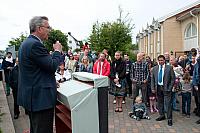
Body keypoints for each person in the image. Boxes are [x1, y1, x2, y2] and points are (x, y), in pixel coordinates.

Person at [18, 16, 62, 133]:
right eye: (48, 27)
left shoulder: (27, 43)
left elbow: (36, 70)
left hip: (33, 97)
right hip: (40, 100)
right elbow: (52, 66)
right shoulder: (35, 44)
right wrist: (57, 51)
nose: (50, 30)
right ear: (39, 28)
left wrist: (51, 81)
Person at [151, 55, 175, 126]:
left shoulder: (169, 68)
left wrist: (169, 88)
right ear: (158, 61)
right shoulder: (155, 68)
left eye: (162, 60)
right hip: (158, 88)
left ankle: (169, 119)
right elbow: (152, 79)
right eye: (159, 60)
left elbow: (173, 79)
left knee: (168, 104)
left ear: (164, 60)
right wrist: (153, 88)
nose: (161, 61)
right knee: (160, 103)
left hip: (166, 88)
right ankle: (162, 115)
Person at [192, 57, 200, 124]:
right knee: (198, 101)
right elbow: (195, 74)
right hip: (198, 85)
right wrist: (195, 84)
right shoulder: (197, 63)